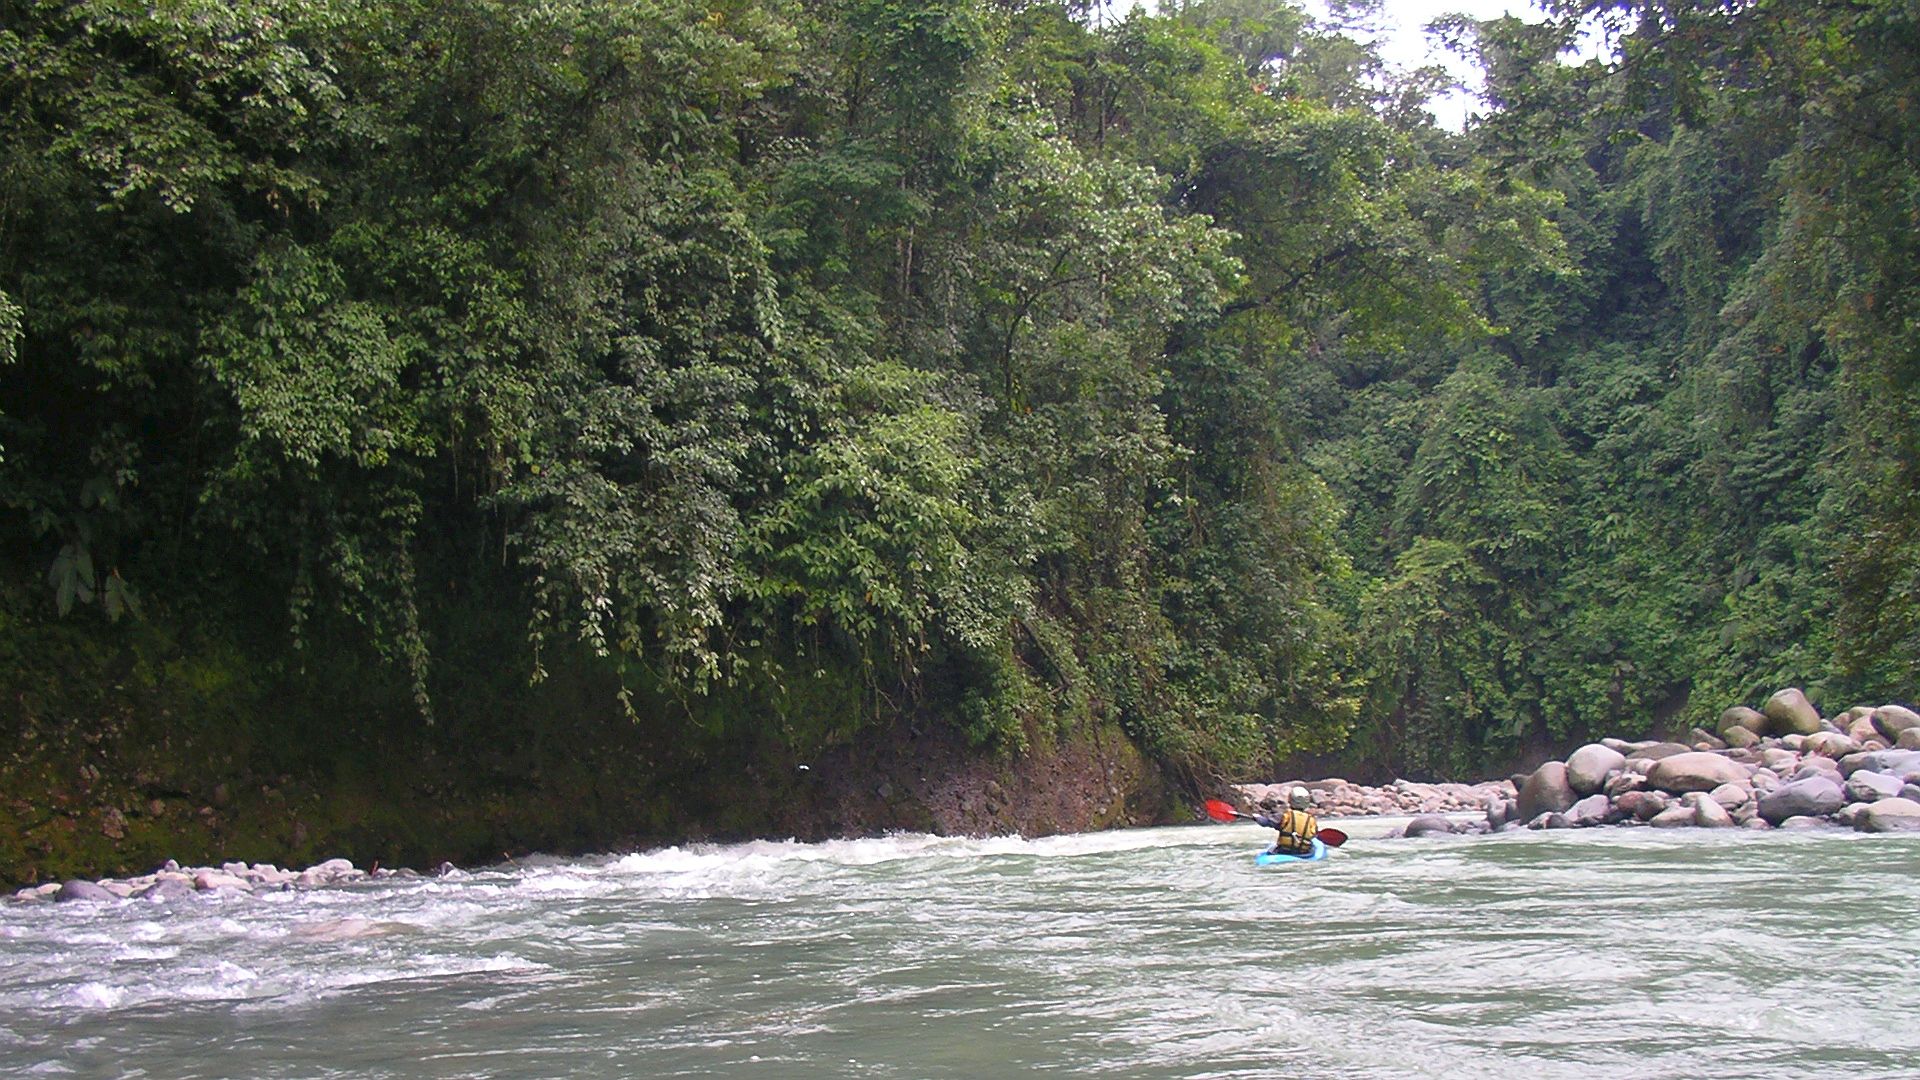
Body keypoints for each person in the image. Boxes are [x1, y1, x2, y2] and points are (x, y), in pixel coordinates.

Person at [1253, 787, 1319, 856]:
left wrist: (1257, 817)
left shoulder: (1284, 816)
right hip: (1304, 853)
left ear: (1290, 800)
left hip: (1284, 851)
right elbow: (1314, 835)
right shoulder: (1311, 820)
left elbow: (1265, 822)